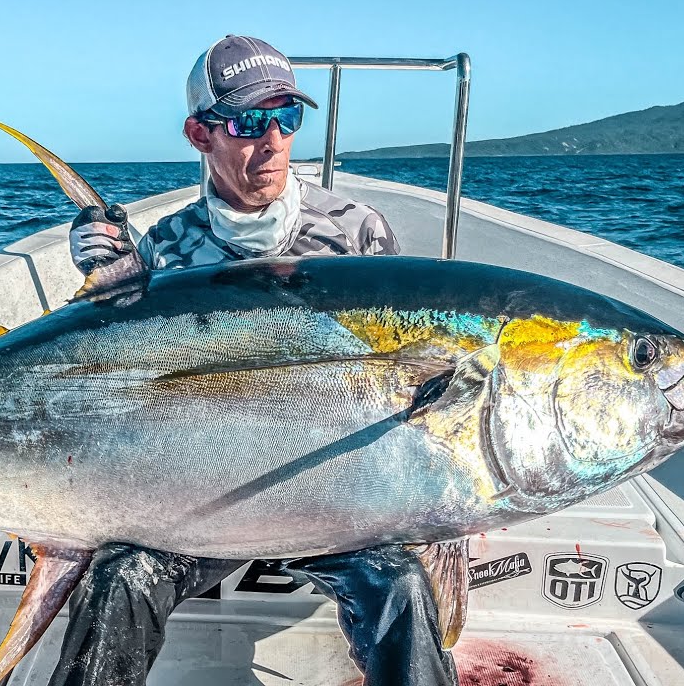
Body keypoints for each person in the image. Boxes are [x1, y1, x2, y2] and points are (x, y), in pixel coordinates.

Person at [55, 35, 457, 686]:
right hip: (202, 501)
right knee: (120, 576)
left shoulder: (359, 233)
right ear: (199, 134)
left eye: (286, 118)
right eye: (247, 122)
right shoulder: (168, 249)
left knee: (401, 586)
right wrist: (116, 290)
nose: (271, 141)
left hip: (339, 501)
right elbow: (138, 390)